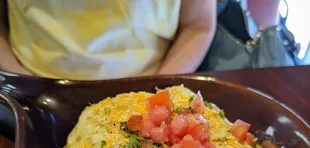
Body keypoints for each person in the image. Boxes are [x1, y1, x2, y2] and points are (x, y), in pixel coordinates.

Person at [0, 0, 217, 80]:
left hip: (150, 83)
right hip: (31, 85)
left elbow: (197, 26)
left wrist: (156, 90)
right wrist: (22, 82)